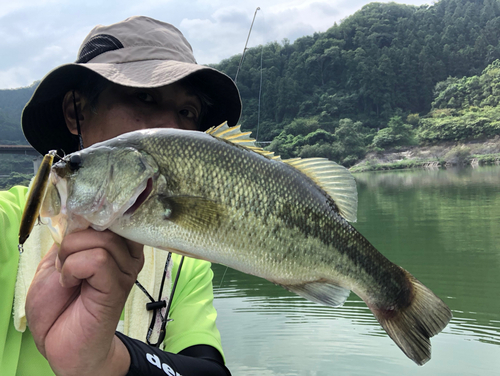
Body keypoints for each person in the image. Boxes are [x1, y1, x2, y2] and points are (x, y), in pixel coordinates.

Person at [0, 16, 242, 376]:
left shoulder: (185, 257)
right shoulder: (8, 222)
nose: (169, 129)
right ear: (76, 112)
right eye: (144, 96)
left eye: (187, 112)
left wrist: (110, 360)